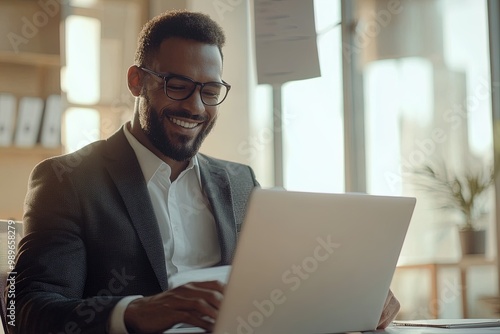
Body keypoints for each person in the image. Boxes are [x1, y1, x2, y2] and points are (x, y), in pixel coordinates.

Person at [6, 10, 400, 334]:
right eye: (177, 85)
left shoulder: (241, 182)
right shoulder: (68, 180)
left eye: (210, 91)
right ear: (137, 81)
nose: (195, 107)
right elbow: (27, 311)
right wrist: (136, 312)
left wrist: (357, 294)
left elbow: (282, 287)